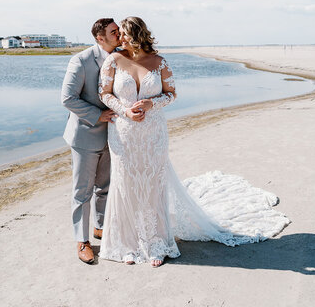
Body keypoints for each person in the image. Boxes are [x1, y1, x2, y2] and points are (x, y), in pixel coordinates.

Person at [98, 16, 290, 267]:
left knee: (154, 185)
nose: (118, 39)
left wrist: (150, 103)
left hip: (153, 133)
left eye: (122, 34)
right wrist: (125, 111)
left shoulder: (159, 61)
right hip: (124, 133)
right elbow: (104, 93)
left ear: (134, 34)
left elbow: (172, 94)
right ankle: (128, 244)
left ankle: (156, 243)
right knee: (126, 184)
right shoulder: (113, 60)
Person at [61, 18, 120, 264]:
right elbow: (67, 98)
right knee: (82, 192)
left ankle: (99, 227)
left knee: (105, 187)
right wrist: (98, 115)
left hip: (113, 136)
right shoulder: (81, 60)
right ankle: (82, 241)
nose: (119, 35)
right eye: (114, 32)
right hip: (85, 135)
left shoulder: (121, 56)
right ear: (100, 38)